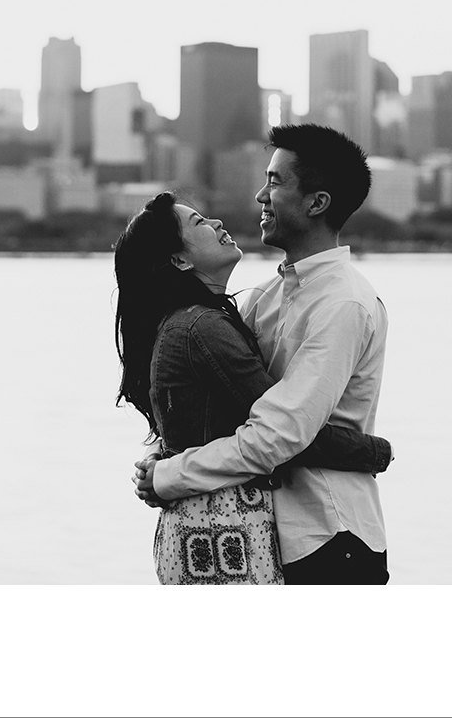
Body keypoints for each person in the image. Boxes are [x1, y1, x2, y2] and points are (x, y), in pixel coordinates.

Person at [134, 124, 392, 585]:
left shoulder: (343, 304)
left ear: (317, 203)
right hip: (264, 542)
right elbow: (213, 405)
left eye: (275, 181)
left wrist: (172, 474)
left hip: (329, 538)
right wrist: (163, 456)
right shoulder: (262, 299)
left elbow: (278, 436)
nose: (260, 195)